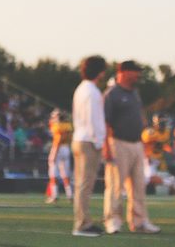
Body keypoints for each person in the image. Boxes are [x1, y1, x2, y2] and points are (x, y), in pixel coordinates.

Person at [102, 60, 160, 234]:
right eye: (136, 71)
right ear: (125, 72)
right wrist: (106, 147)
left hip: (136, 143)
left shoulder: (135, 93)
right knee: (115, 186)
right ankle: (112, 220)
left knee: (138, 186)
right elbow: (105, 122)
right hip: (118, 142)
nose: (138, 75)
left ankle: (139, 221)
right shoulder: (112, 94)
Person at [71, 54, 107, 237]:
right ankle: (82, 224)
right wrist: (100, 142)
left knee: (81, 184)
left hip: (79, 138)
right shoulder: (92, 91)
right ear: (99, 72)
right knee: (85, 184)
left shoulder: (81, 89)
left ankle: (83, 221)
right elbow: (94, 120)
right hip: (88, 141)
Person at [46, 109, 73, 203]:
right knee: (66, 174)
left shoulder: (57, 126)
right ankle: (70, 195)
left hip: (58, 148)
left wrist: (54, 153)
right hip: (66, 148)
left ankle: (54, 195)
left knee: (53, 173)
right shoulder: (68, 125)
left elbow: (58, 139)